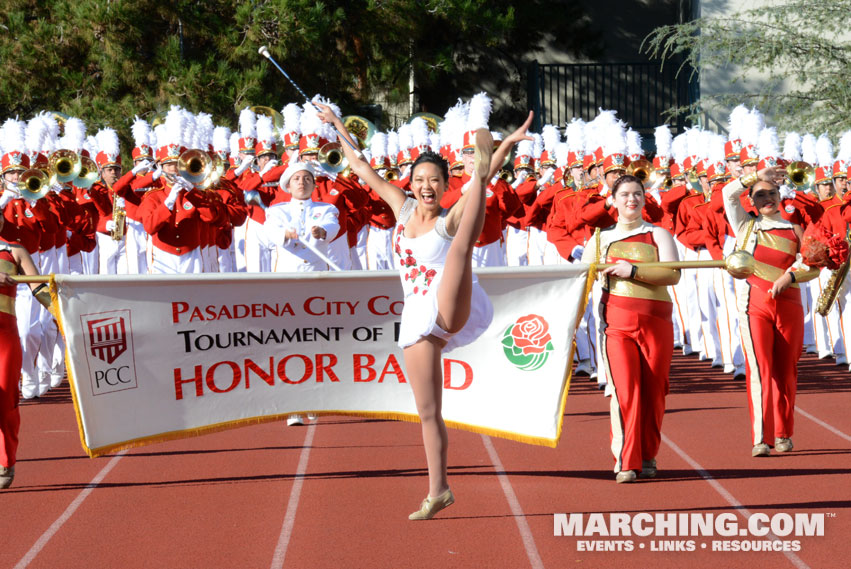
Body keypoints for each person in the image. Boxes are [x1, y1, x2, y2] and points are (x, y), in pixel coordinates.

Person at [316, 101, 532, 519]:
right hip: (417, 317)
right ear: (411, 183)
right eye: (420, 179)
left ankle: (482, 176)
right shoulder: (402, 207)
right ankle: (439, 490)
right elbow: (361, 168)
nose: (427, 186)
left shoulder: (446, 218)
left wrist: (504, 144)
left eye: (435, 179)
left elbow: (467, 200)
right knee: (429, 412)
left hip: (450, 302)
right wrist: (336, 124)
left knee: (461, 246)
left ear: (446, 183)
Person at [582, 174, 680, 483]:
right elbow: (579, 279)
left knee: (655, 392)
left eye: (637, 193)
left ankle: (648, 455)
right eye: (624, 194)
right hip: (617, 322)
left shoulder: (659, 235)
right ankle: (626, 460)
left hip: (657, 321)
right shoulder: (599, 239)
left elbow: (673, 275)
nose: (631, 199)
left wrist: (632, 270)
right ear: (612, 199)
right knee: (625, 391)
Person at [723, 169, 819, 457]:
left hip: (789, 304)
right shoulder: (744, 226)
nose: (766, 198)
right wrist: (756, 174)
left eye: (771, 193)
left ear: (780, 196)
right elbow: (728, 194)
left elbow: (811, 266)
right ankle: (760, 438)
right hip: (754, 306)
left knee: (786, 370)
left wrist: (789, 277)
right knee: (760, 369)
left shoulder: (794, 229)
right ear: (751, 201)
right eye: (759, 194)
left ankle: (783, 433)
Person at [0, 215, 53, 489]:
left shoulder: (15, 250)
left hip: (4, 336)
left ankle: (6, 460)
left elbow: (39, 287)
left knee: (6, 401)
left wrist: (60, 311)